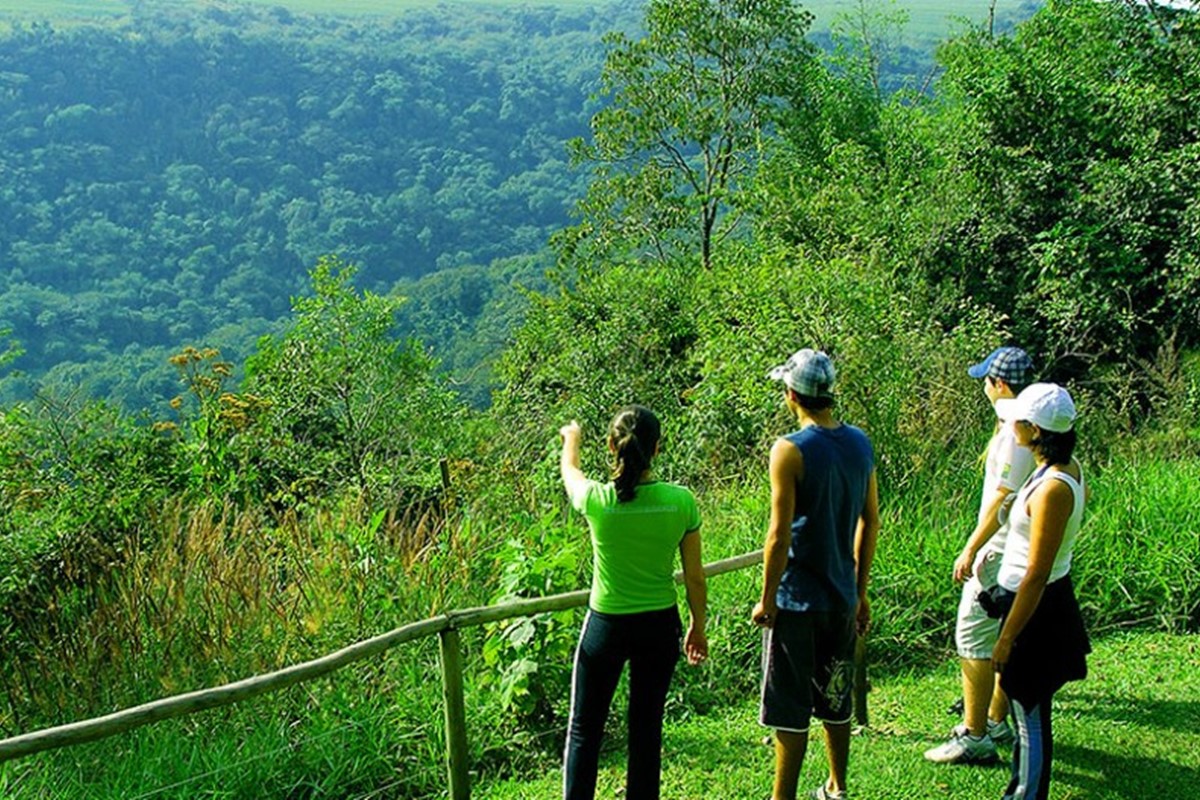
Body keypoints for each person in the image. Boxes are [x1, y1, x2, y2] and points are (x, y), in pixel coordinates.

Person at [559, 405, 708, 800]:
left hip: (606, 625)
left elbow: (570, 475)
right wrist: (698, 624)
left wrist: (571, 439)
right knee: (646, 727)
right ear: (657, 449)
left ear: (612, 446)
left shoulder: (597, 500)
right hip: (660, 626)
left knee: (584, 728)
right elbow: (694, 576)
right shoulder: (681, 502)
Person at [753, 349, 880, 800]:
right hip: (842, 596)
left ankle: (781, 797)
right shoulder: (860, 444)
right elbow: (871, 521)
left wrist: (767, 599)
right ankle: (837, 785)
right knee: (836, 694)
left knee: (790, 707)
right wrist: (860, 592)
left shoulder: (788, 450)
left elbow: (778, 535)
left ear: (792, 395)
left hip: (797, 600)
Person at [926, 346, 1036, 765]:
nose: (984, 389)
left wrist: (971, 547)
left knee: (972, 637)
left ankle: (975, 736)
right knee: (1004, 636)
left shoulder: (1013, 433)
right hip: (1017, 548)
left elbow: (1003, 498)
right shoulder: (1029, 425)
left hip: (999, 552)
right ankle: (994, 718)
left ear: (1000, 385)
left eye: (987, 381)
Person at [990, 383, 1090, 800]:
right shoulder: (1054, 469)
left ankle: (1026, 795)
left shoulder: (1054, 488)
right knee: (1022, 704)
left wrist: (1008, 638)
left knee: (1028, 712)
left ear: (1034, 429)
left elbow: (1036, 573)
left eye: (1017, 420)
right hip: (1033, 601)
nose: (1010, 425)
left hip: (1036, 609)